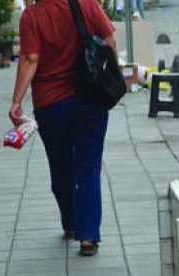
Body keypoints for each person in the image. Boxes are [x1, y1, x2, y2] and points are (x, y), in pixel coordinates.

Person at [10, 0, 115, 256]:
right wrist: (109, 75)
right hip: (91, 98)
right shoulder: (87, 4)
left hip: (51, 104)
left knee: (60, 167)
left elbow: (30, 58)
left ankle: (70, 221)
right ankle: (88, 236)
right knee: (89, 167)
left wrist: (16, 101)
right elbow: (109, 40)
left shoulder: (32, 16)